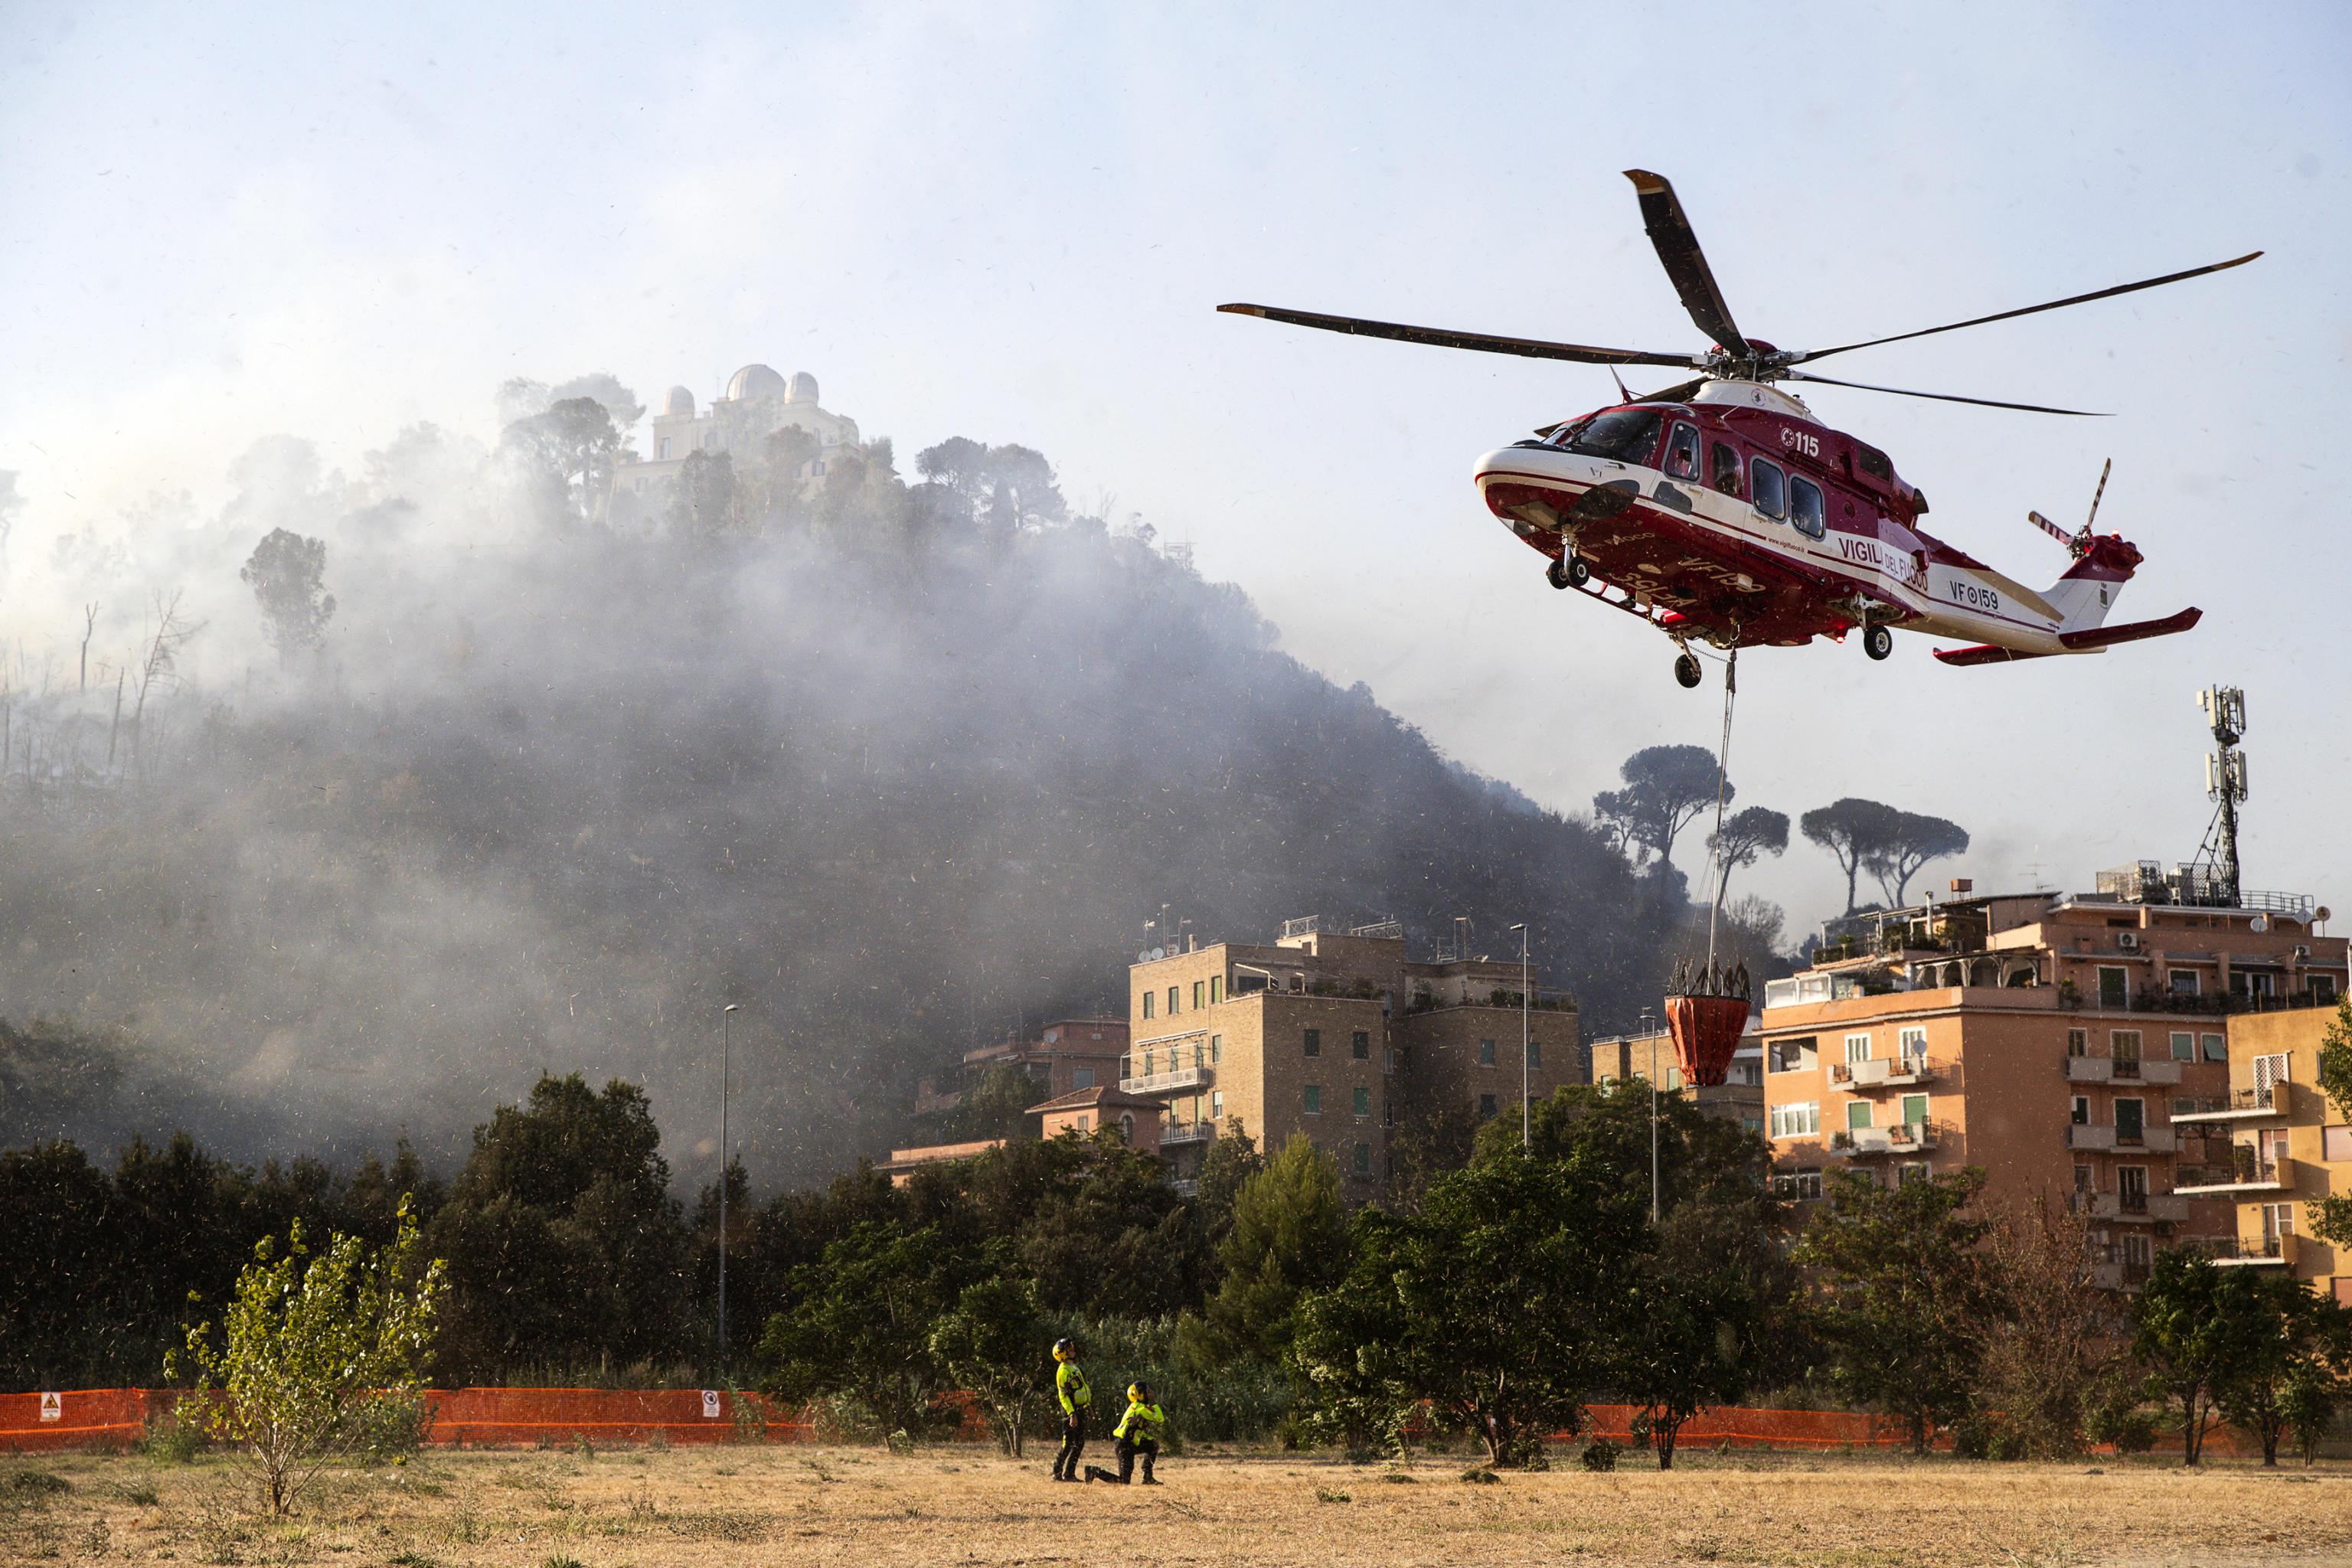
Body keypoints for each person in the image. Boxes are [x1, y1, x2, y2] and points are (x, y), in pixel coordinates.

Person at [1084, 1381, 1165, 1485]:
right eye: (1148, 1391)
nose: (1152, 1393)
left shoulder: (1137, 1406)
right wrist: (1153, 1401)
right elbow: (1160, 1418)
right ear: (1142, 1395)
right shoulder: (1141, 1408)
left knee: (1153, 1445)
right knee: (1124, 1481)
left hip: (1128, 1443)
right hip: (1124, 1445)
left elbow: (1137, 1430)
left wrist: (1149, 1439)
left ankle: (1148, 1477)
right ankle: (1094, 1471)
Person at [1050, 1336, 1091, 1482]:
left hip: (1080, 1409)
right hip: (1071, 1411)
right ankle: (1056, 1473)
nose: (1073, 1350)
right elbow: (1063, 1395)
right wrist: (1072, 1414)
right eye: (1069, 1348)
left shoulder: (1074, 1367)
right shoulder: (1063, 1371)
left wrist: (1088, 1406)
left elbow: (1083, 1388)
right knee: (1068, 1444)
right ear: (1062, 1353)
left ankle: (1069, 1474)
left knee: (1079, 1443)